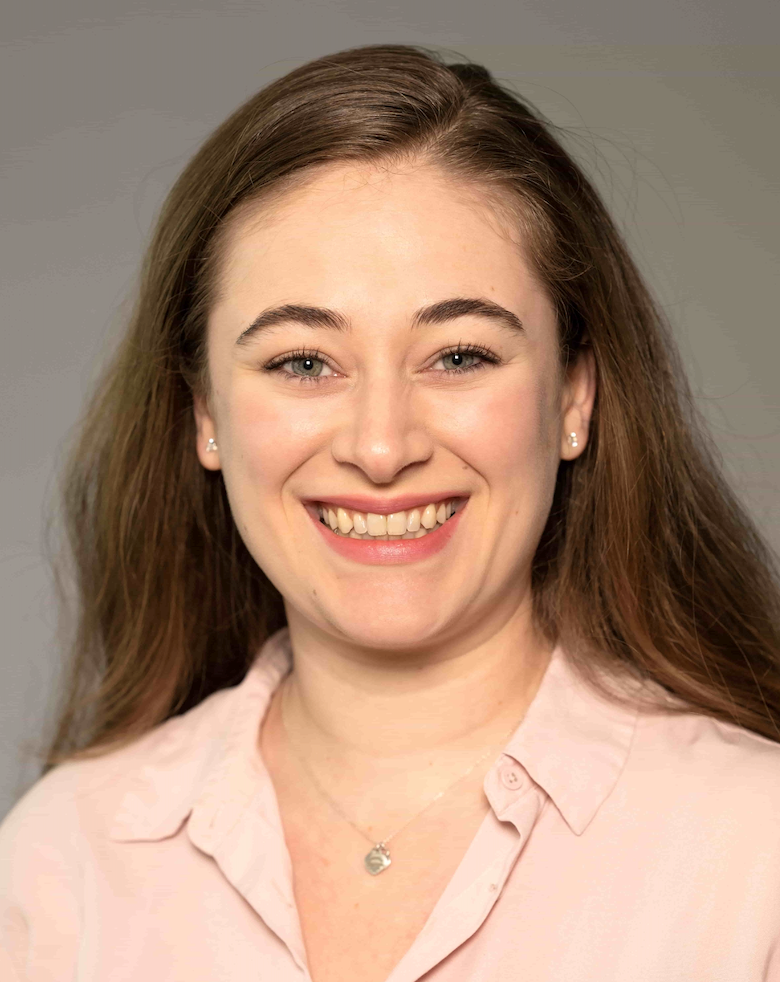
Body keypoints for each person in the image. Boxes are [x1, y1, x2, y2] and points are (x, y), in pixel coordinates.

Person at [1, 43, 779, 982]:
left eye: (458, 356)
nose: (381, 447)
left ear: (574, 398)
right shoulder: (60, 868)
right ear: (205, 414)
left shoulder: (753, 857)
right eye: (301, 362)